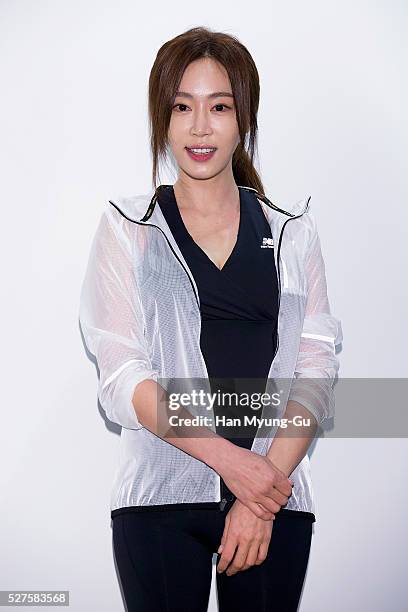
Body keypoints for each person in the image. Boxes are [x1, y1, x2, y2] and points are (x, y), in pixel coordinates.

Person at [79, 26, 342, 612]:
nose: (200, 127)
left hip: (274, 502)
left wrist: (260, 492)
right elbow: (123, 378)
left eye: (219, 107)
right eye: (182, 107)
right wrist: (231, 462)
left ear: (243, 119)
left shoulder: (293, 232)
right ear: (162, 120)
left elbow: (317, 368)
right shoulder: (130, 230)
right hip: (161, 503)